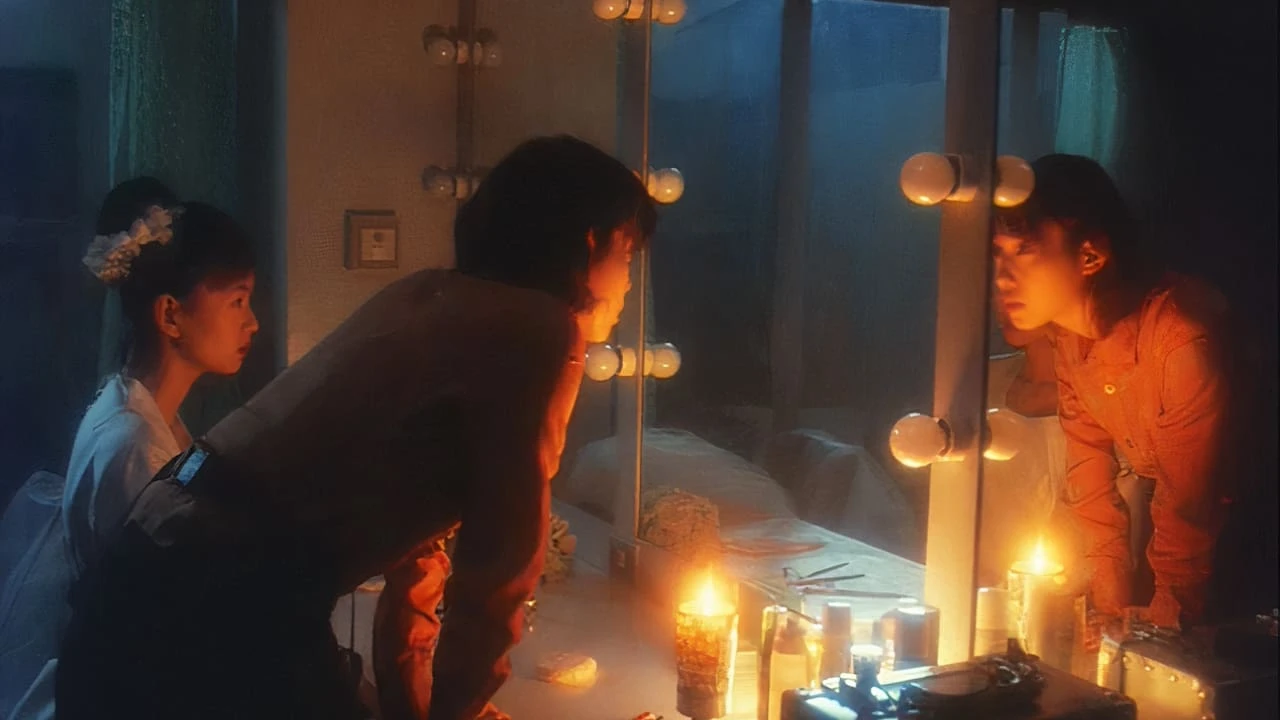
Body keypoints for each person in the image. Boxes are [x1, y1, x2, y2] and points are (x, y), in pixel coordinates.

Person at [55, 135, 656, 720]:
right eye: (627, 258)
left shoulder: (430, 295)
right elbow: (498, 573)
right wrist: (454, 707)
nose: (630, 284)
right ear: (589, 240)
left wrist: (422, 702)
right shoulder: (539, 332)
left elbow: (420, 553)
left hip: (153, 569)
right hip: (215, 598)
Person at [0, 179, 259, 717]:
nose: (252, 323)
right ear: (170, 316)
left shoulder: (133, 405)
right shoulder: (135, 445)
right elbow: (160, 624)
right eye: (237, 301)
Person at [992, 154, 1232, 631]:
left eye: (1025, 250)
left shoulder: (1180, 338)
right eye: (997, 254)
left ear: (1090, 256)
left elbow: (1190, 509)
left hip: (1248, 557)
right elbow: (1091, 489)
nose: (1001, 277)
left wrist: (1162, 628)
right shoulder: (1071, 339)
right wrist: (1107, 613)